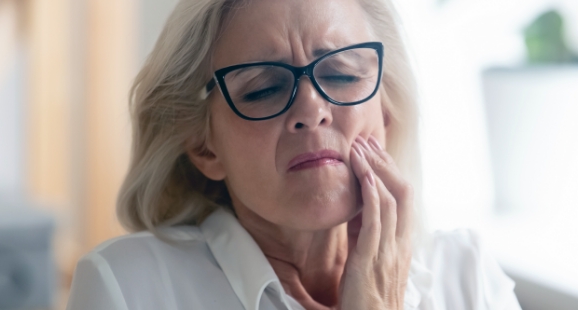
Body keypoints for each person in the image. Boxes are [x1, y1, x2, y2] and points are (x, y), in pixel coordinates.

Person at [66, 0, 522, 309]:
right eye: (264, 88)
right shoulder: (129, 287)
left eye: (342, 75)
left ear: (386, 110)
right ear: (205, 146)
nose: (312, 109)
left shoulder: (466, 274)